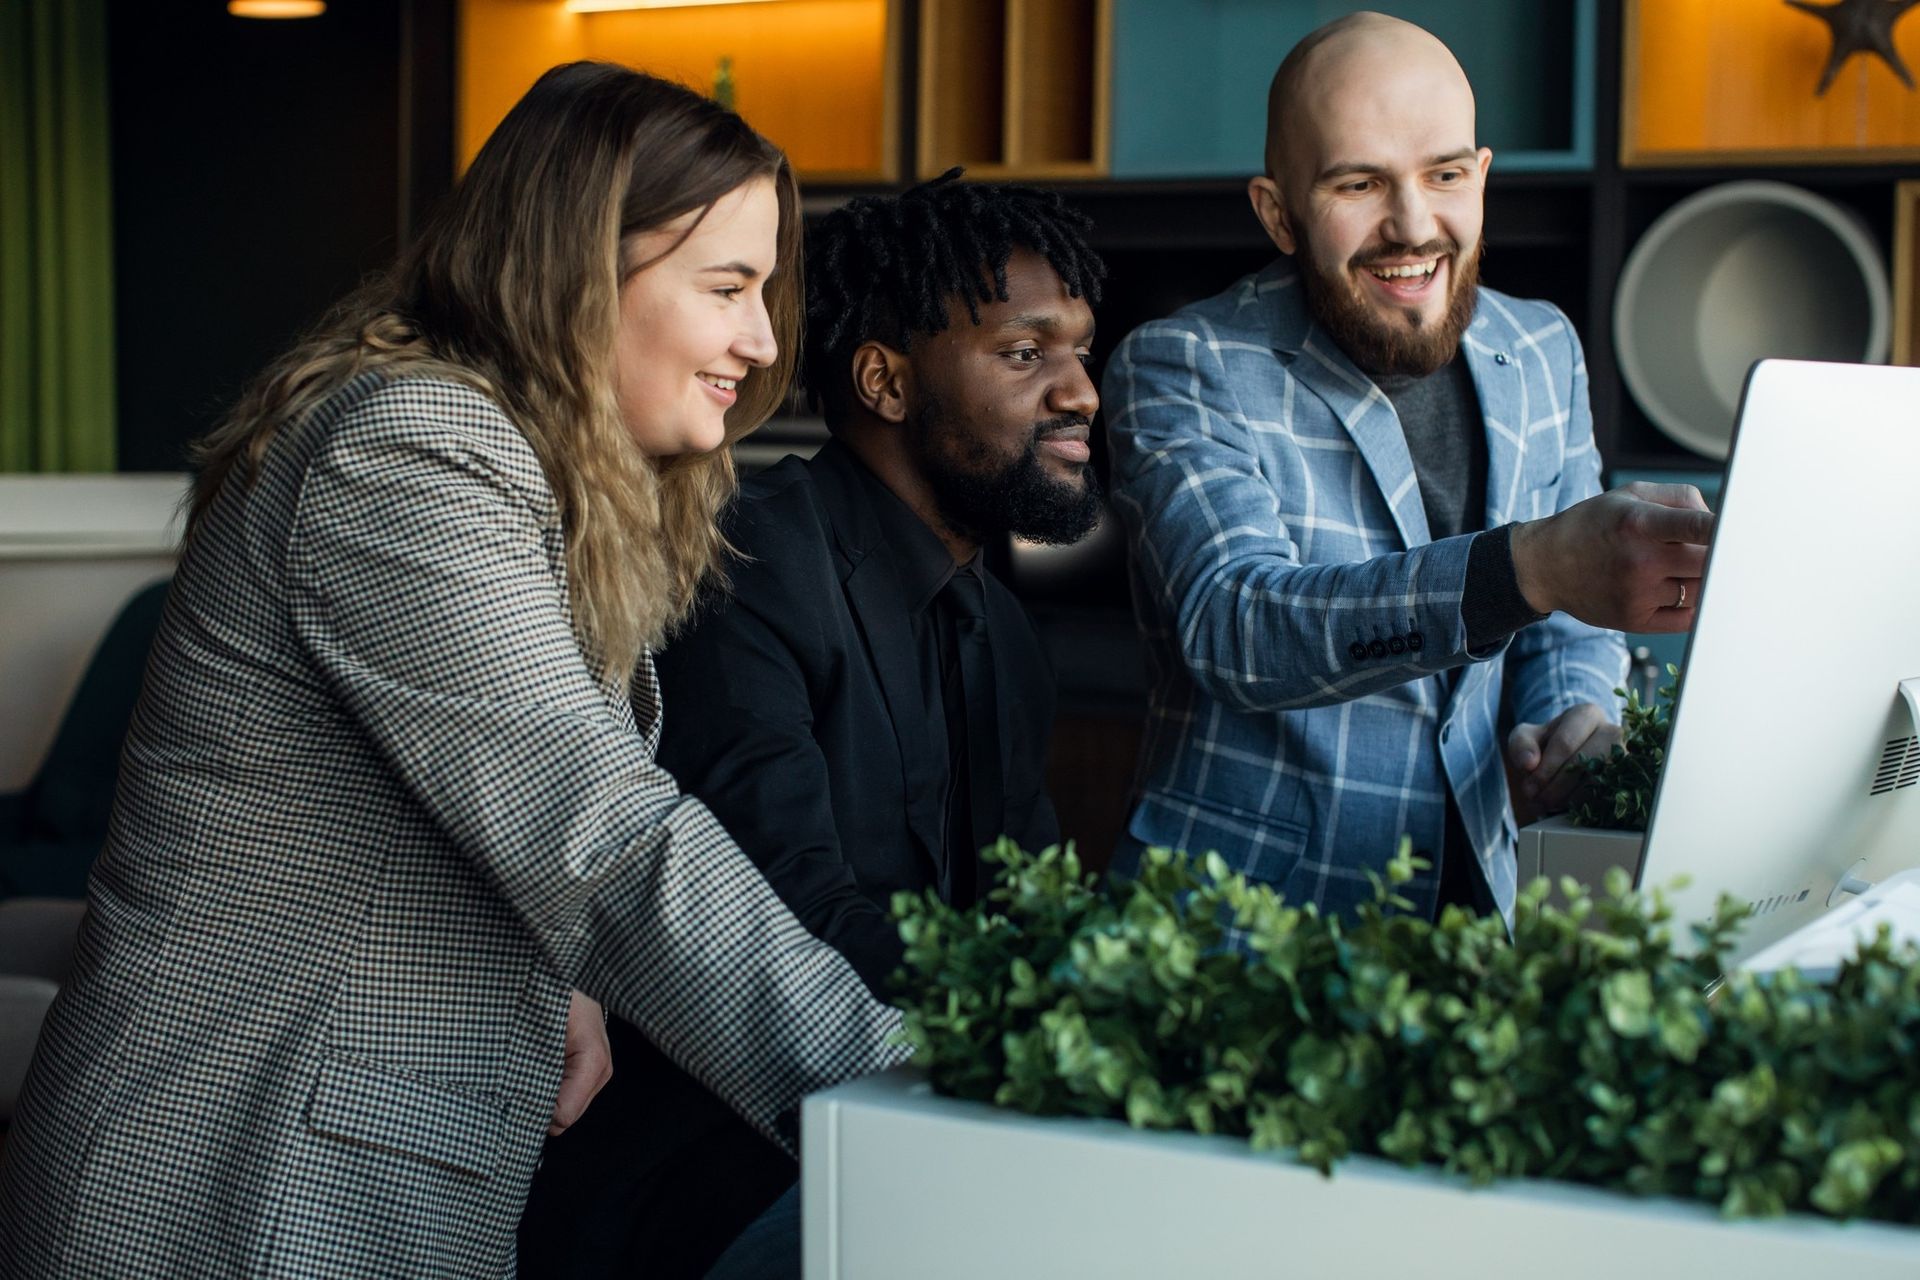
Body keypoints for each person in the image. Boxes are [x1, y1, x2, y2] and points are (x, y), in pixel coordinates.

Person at [0, 63, 906, 1278]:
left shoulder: (545, 476)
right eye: (729, 287)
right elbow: (604, 836)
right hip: (243, 1181)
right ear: (584, 273)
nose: (762, 338)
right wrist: (903, 1093)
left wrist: (556, 979)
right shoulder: (414, 447)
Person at [517, 171, 1107, 1278]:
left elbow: (1035, 916)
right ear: (885, 379)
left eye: (1080, 351)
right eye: (1025, 354)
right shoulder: (749, 561)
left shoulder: (1008, 634)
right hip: (713, 1165)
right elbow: (792, 917)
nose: (1080, 391)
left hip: (910, 1129)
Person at [1104, 12, 1714, 923]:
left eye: (1446, 174)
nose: (1414, 224)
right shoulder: (1181, 363)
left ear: (1482, 177)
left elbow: (1571, 622)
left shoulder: (1543, 345)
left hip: (1478, 925)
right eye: (1359, 182)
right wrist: (1532, 566)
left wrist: (1574, 713)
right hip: (1237, 946)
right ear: (1278, 212)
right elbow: (1237, 629)